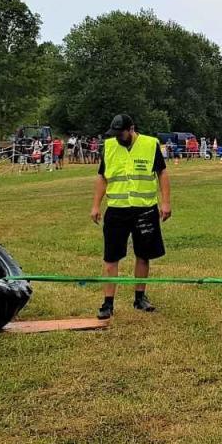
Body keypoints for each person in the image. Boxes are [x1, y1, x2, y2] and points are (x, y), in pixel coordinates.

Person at [91, 114, 171, 320]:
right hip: (117, 209)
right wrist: (96, 205)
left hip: (145, 209)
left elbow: (162, 173)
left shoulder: (150, 144)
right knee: (111, 257)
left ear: (131, 129)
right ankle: (107, 303)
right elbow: (102, 176)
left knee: (143, 255)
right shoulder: (109, 146)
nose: (118, 137)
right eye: (114, 134)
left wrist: (166, 202)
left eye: (121, 133)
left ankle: (140, 298)